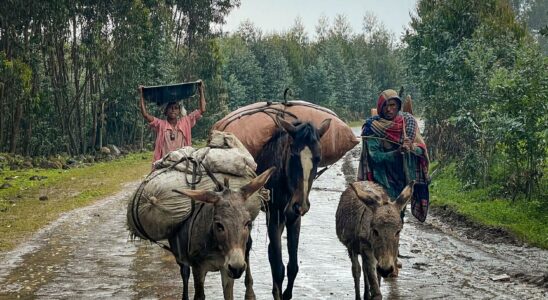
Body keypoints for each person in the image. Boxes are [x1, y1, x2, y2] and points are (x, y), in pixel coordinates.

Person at [358, 89, 430, 221]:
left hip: (403, 179)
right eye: (386, 106)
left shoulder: (408, 123)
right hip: (381, 180)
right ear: (380, 107)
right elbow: (375, 157)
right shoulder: (372, 127)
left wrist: (411, 147)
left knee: (398, 217)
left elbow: (421, 150)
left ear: (398, 106)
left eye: (393, 105)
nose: (389, 109)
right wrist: (397, 152)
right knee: (380, 216)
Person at [139, 81, 206, 162]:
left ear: (179, 111)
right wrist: (141, 94)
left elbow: (202, 109)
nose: (173, 110)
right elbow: (145, 114)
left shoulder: (185, 121)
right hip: (165, 162)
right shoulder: (161, 124)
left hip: (183, 161)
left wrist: (201, 90)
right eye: (170, 107)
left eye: (176, 108)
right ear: (166, 111)